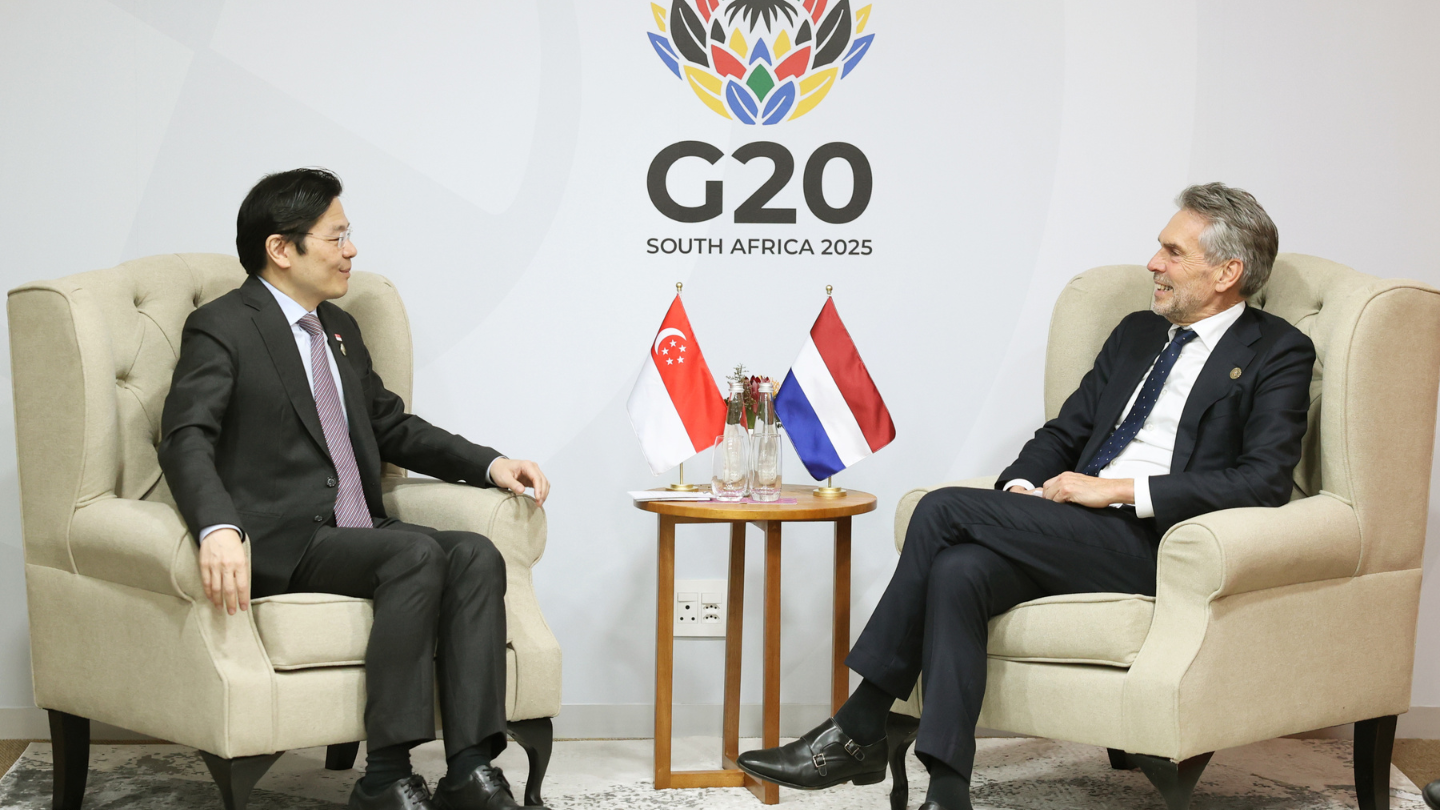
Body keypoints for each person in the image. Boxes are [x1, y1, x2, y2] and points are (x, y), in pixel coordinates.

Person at [735, 183, 1315, 810]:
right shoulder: (1137, 334)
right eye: (1160, 249)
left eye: (1174, 253)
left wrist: (1115, 489)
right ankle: (948, 791)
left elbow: (1262, 481)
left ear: (1227, 272)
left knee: (942, 507)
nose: (1154, 263)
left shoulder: (1277, 350)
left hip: (1161, 542)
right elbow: (1064, 433)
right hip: (1074, 527)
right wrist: (1020, 490)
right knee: (960, 570)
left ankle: (861, 725)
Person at [159, 168, 550, 810]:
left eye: (349, 235)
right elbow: (185, 437)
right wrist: (217, 525)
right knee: (415, 552)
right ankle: (385, 776)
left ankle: (469, 769)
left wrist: (490, 464)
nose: (351, 250)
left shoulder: (337, 328)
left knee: (475, 552)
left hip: (356, 532)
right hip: (283, 538)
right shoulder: (222, 326)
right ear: (281, 249)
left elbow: (390, 425)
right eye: (336, 237)